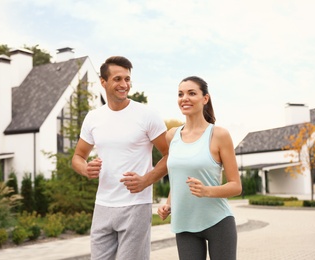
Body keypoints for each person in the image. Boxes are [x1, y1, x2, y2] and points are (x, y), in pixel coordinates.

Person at [72, 56, 168, 260]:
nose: (124, 85)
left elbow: (171, 155)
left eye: (127, 79)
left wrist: (146, 180)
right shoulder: (93, 118)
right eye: (117, 79)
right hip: (102, 205)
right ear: (103, 82)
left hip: (135, 205)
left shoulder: (147, 115)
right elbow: (78, 156)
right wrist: (85, 169)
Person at [157, 76, 242, 260]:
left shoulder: (219, 135)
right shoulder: (172, 136)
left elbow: (236, 186)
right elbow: (178, 179)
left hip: (218, 222)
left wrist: (206, 191)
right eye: (180, 94)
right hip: (184, 224)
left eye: (191, 93)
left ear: (205, 98)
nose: (184, 98)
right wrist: (168, 204)